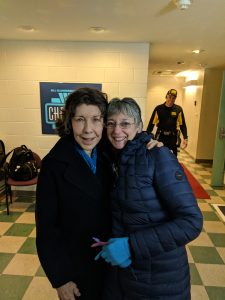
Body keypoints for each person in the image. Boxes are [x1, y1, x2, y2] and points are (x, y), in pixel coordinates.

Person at [35, 88, 160, 300]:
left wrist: (147, 141)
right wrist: (60, 278)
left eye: (95, 119)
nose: (87, 129)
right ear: (69, 122)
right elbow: (47, 228)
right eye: (80, 119)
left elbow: (127, 136)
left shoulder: (105, 150)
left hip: (114, 261)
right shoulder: (53, 165)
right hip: (78, 268)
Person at [95, 97, 203, 300]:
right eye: (111, 123)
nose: (117, 131)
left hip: (159, 280)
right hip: (123, 275)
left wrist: (131, 246)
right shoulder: (110, 157)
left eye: (125, 123)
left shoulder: (157, 155)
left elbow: (191, 222)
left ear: (139, 126)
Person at [147, 88, 188, 156]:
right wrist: (147, 136)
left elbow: (182, 125)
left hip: (172, 137)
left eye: (173, 98)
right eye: (170, 97)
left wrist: (185, 138)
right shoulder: (158, 108)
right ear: (166, 97)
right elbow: (151, 123)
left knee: (173, 157)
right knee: (159, 156)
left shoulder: (178, 109)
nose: (171, 100)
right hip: (160, 136)